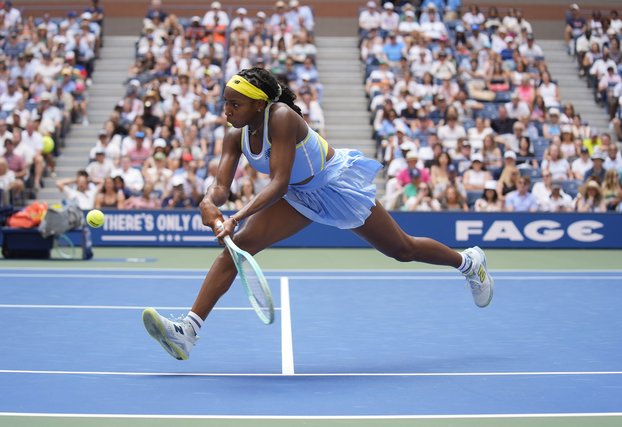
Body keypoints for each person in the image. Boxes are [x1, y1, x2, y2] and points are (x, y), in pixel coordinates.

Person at [142, 68, 495, 361]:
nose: (227, 109)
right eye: (225, 102)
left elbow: (278, 182)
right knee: (235, 251)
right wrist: (209, 201)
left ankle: (468, 262)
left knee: (402, 249)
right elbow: (221, 187)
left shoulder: (281, 117)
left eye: (235, 103)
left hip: (334, 186)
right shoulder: (234, 136)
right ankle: (187, 331)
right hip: (299, 196)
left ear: (259, 103)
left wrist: (234, 216)